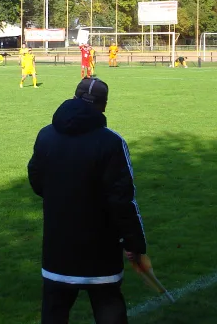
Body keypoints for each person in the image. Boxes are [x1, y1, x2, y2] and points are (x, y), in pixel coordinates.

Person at [28, 78, 147, 324]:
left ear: (74, 97)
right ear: (103, 106)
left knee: (54, 312)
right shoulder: (112, 142)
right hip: (100, 249)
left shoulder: (45, 135)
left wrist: (63, 200)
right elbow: (122, 199)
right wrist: (134, 243)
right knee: (108, 309)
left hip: (57, 245)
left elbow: (37, 181)